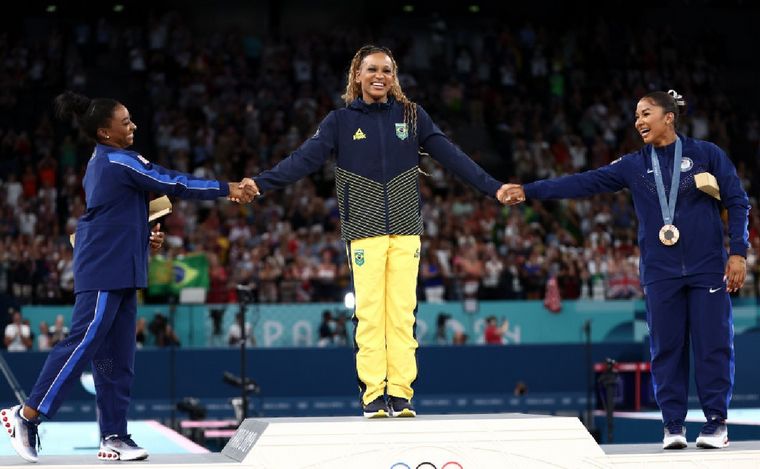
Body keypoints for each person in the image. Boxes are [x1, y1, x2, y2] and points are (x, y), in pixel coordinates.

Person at [245, 44, 512, 418]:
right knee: (370, 314)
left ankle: (401, 394)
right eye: (371, 70)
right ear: (357, 75)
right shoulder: (339, 121)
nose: (379, 77)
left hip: (405, 228)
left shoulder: (412, 116)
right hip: (365, 230)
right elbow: (303, 160)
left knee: (403, 312)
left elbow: (451, 155)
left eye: (386, 70)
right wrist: (261, 183)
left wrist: (492, 186)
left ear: (394, 77)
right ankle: (373, 394)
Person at [0, 91, 256, 463]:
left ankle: (114, 436)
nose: (133, 125)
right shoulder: (119, 160)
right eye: (125, 122)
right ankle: (28, 415)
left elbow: (115, 212)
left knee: (114, 360)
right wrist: (227, 188)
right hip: (104, 267)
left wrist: (144, 236)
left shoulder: (105, 163)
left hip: (122, 267)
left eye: (132, 119)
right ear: (105, 133)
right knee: (83, 340)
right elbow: (173, 182)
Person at [503, 90, 749, 450]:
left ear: (669, 117)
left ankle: (715, 423)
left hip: (707, 267)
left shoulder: (706, 154)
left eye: (645, 113)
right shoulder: (634, 165)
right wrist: (529, 190)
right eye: (636, 116)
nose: (638, 122)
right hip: (660, 271)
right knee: (666, 348)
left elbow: (737, 200)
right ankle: (673, 426)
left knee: (713, 345)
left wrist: (739, 252)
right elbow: (582, 182)